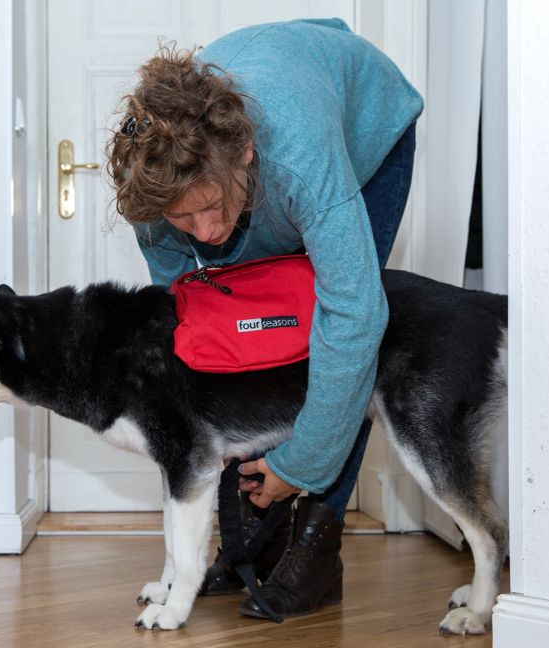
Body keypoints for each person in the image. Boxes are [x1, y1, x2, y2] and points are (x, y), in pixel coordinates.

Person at [105, 18, 423, 620]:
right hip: (265, 157)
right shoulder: (155, 193)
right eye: (182, 220)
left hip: (364, 133)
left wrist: (299, 463)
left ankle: (315, 546)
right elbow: (193, 330)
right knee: (242, 329)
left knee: (329, 330)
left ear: (244, 156)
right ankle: (259, 535)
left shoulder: (300, 159)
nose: (204, 234)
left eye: (210, 209)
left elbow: (352, 318)